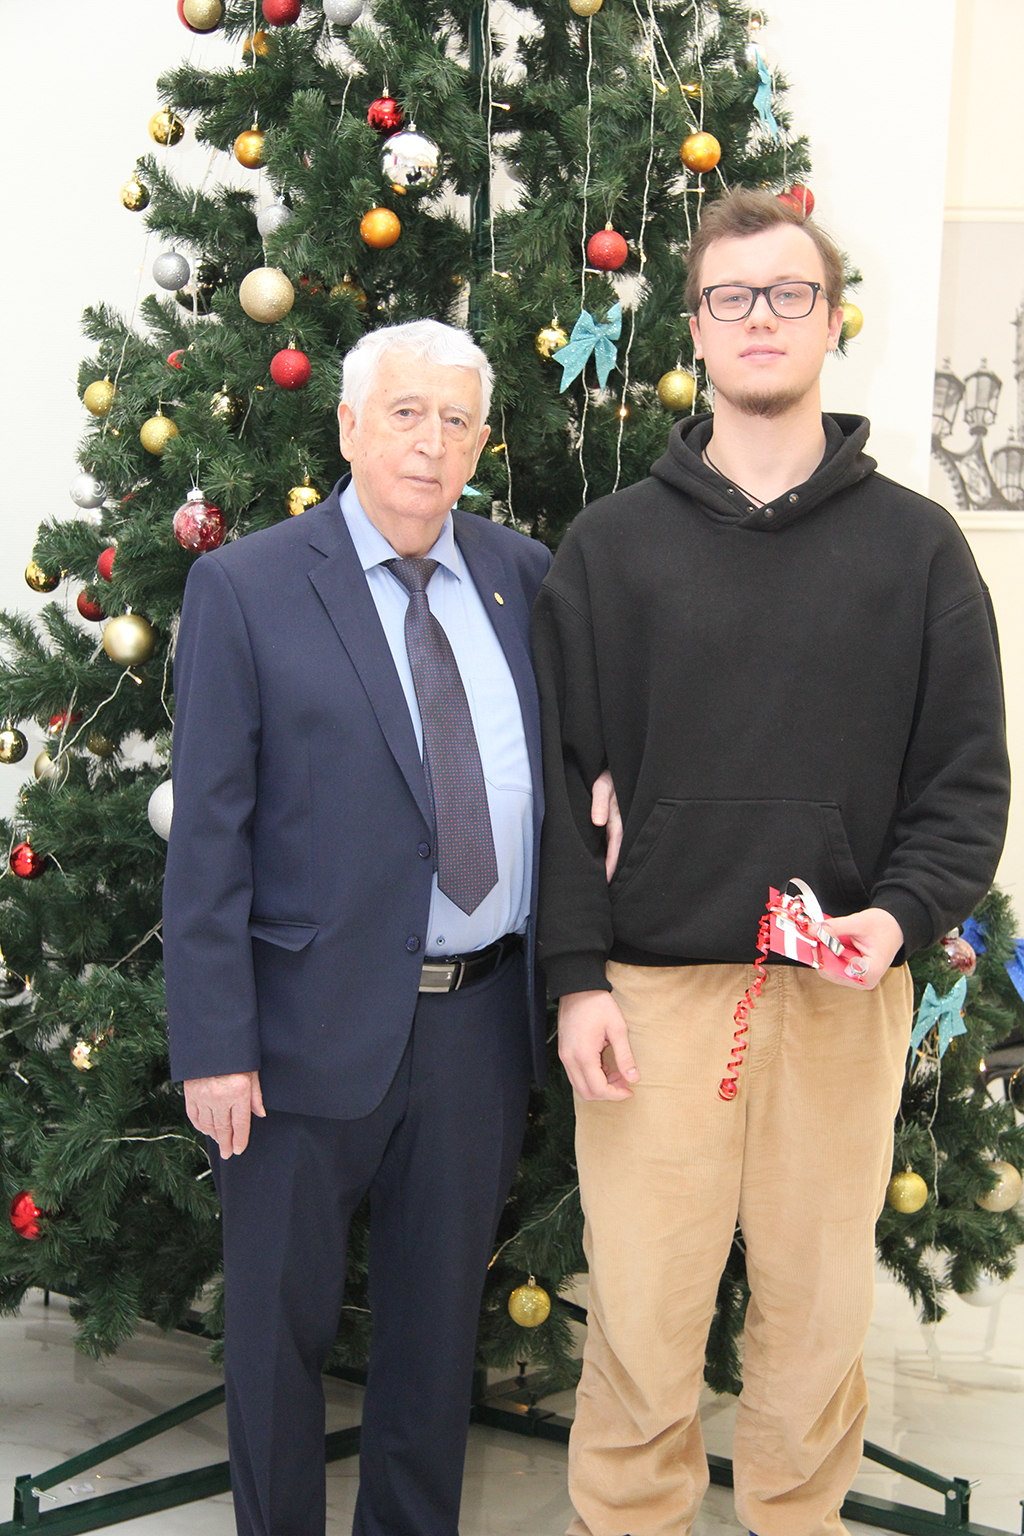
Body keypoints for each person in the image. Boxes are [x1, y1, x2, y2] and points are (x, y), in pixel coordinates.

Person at [531, 189, 1010, 1536]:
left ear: (831, 319)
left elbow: (965, 780)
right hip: (653, 997)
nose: (760, 318)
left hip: (840, 1000)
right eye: (730, 297)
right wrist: (576, 979)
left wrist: (898, 920)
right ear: (694, 328)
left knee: (812, 1336)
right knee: (640, 1331)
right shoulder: (610, 550)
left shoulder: (916, 549)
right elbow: (559, 792)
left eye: (788, 294)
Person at [164, 319, 569, 1536]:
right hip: (297, 1034)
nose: (429, 443)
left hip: (478, 1026)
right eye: (403, 414)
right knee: (276, 1344)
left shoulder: (522, 576)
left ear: (480, 444)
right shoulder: (246, 587)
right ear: (347, 426)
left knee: (436, 1345)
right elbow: (208, 836)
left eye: (455, 421)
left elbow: (559, 763)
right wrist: (213, 1045)